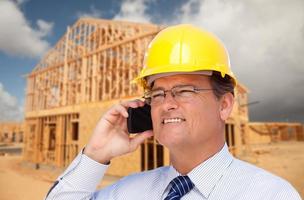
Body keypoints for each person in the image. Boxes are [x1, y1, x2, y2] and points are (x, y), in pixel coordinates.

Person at [45, 24, 301, 200]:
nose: (167, 103)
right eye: (157, 94)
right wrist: (96, 155)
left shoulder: (270, 194)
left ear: (224, 105)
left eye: (185, 90)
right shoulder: (128, 191)